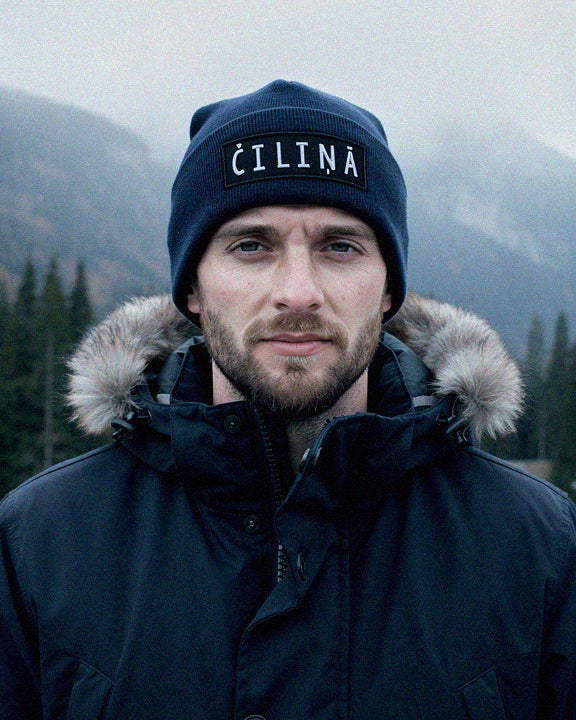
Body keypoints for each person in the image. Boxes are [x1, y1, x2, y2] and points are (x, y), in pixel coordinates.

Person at [1, 80, 575, 720]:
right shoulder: (39, 545)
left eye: (340, 247)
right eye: (251, 245)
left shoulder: (538, 550)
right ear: (191, 288)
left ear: (389, 289)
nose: (298, 292)